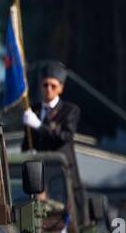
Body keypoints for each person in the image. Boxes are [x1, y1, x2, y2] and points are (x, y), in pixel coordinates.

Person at [22, 61, 86, 216]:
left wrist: (38, 126)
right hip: (40, 176)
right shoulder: (34, 111)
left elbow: (64, 137)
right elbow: (26, 144)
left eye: (53, 85)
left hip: (62, 174)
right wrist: (29, 151)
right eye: (45, 85)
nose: (49, 89)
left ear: (61, 88)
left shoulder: (70, 111)